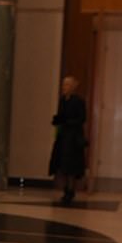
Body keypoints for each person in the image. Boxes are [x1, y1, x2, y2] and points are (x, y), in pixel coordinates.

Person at [49, 75, 86, 204]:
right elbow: (61, 116)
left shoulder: (79, 101)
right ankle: (65, 190)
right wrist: (57, 120)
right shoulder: (62, 100)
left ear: (73, 87)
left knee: (71, 166)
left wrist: (68, 122)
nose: (64, 87)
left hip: (73, 138)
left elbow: (82, 119)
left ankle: (71, 191)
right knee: (61, 165)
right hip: (63, 136)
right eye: (63, 84)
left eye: (67, 85)